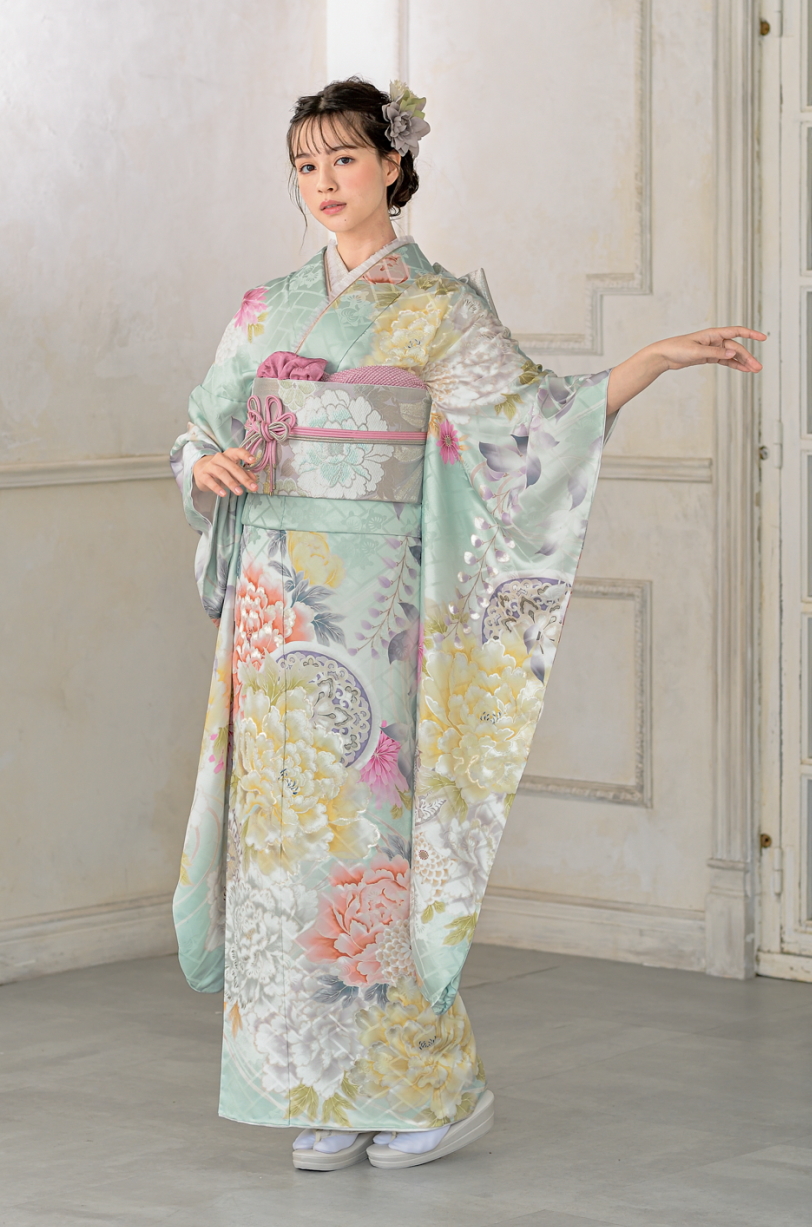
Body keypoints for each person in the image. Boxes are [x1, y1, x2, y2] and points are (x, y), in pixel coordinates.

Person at [170, 78, 764, 1171]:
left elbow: (538, 422)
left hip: (373, 608)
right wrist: (204, 466)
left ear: (393, 164)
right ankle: (323, 1081)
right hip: (270, 607)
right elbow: (201, 428)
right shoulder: (265, 306)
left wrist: (654, 360)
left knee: (369, 847)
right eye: (304, 165)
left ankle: (430, 1087)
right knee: (281, 851)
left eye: (343, 159)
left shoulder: (437, 308)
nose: (322, 183)